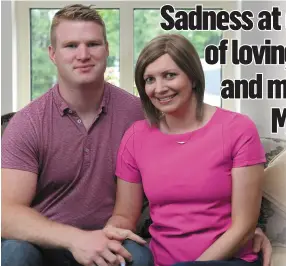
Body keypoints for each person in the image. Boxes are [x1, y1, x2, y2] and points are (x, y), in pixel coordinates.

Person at [1, 4, 272, 266]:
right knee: (14, 252)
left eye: (93, 44)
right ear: (52, 53)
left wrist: (247, 231)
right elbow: (6, 214)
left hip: (112, 238)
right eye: (70, 45)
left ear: (107, 49)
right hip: (50, 243)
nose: (83, 54)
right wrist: (76, 239)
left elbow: (204, 154)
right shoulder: (28, 123)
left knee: (139, 258)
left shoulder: (142, 115)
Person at [109, 33, 267, 266]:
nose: (159, 88)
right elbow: (124, 216)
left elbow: (244, 227)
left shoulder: (238, 129)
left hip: (229, 260)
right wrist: (107, 237)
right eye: (149, 79)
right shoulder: (136, 136)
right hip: (159, 260)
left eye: (169, 75)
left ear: (193, 77)